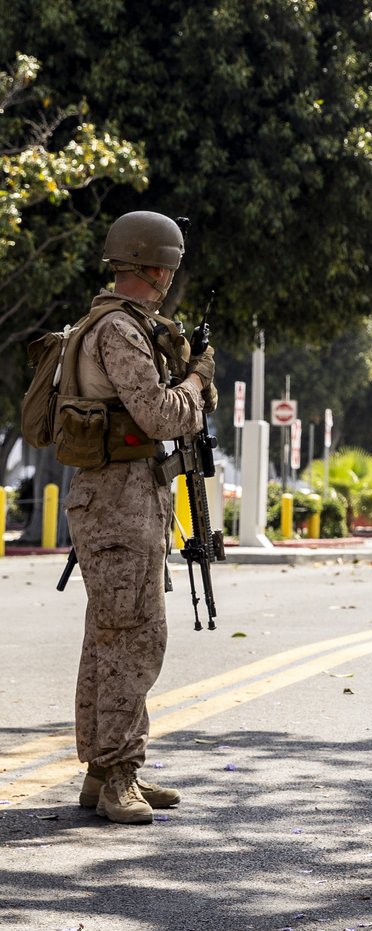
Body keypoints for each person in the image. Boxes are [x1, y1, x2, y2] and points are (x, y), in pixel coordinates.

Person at [66, 210, 216, 824]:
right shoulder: (120, 331)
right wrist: (199, 383)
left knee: (110, 635)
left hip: (120, 498)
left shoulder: (113, 324)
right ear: (157, 266)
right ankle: (119, 775)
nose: (171, 279)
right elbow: (157, 415)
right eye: (170, 269)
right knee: (134, 638)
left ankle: (103, 769)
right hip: (119, 502)